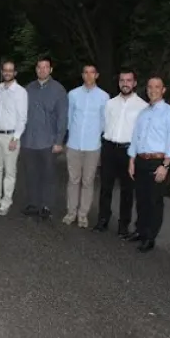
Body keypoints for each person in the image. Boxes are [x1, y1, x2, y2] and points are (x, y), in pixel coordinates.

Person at [127, 76, 170, 253]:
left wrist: (165, 166)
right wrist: (132, 160)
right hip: (141, 160)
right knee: (141, 199)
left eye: (157, 87)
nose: (152, 90)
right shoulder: (143, 113)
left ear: (163, 90)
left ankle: (150, 237)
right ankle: (140, 231)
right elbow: (135, 138)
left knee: (154, 201)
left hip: (157, 162)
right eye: (150, 87)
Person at [93, 69, 147, 236]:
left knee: (127, 190)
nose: (125, 83)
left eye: (129, 80)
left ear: (135, 83)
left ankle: (123, 224)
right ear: (119, 83)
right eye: (122, 80)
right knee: (105, 188)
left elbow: (141, 133)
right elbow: (104, 125)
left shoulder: (143, 107)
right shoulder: (110, 104)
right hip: (109, 148)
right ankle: (103, 219)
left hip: (128, 151)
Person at [20, 56, 68, 219]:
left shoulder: (59, 90)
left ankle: (47, 206)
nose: (42, 70)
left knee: (48, 175)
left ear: (51, 69)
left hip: (49, 142)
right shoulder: (28, 89)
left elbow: (62, 118)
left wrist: (59, 141)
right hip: (29, 141)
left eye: (46, 67)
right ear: (36, 69)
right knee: (31, 174)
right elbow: (21, 114)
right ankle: (33, 204)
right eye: (39, 67)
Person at [62, 64, 109, 228]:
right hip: (74, 144)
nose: (89, 76)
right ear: (82, 75)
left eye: (92, 73)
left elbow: (104, 121)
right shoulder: (73, 94)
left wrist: (96, 135)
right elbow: (69, 118)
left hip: (92, 146)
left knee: (88, 181)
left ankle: (83, 215)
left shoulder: (104, 97)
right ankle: (71, 212)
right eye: (86, 73)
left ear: (97, 75)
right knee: (73, 180)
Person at [0, 60, 27, 216]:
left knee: (9, 171)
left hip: (10, 136)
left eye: (10, 70)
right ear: (2, 72)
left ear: (15, 73)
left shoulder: (20, 92)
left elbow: (22, 118)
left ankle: (6, 201)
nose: (7, 73)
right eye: (5, 70)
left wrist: (16, 138)